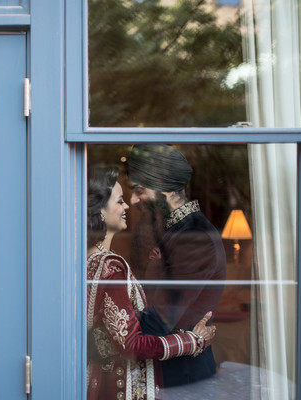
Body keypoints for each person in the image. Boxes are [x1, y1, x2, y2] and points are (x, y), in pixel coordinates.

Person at [86, 166, 216, 400]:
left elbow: (112, 325)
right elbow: (132, 345)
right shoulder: (111, 266)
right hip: (123, 387)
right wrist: (193, 341)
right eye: (120, 201)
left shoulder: (87, 261)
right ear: (100, 212)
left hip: (101, 380)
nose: (128, 206)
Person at [125, 144, 227, 388]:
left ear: (164, 187)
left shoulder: (194, 237)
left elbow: (158, 321)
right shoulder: (173, 230)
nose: (133, 200)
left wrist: (105, 328)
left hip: (183, 378)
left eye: (140, 190)